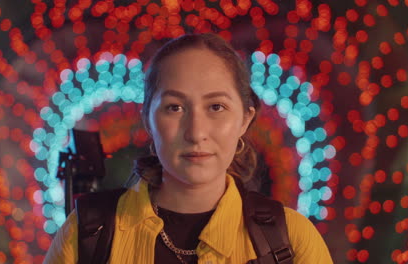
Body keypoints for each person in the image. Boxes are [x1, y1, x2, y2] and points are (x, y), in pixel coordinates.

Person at [44, 33, 333, 264]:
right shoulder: (86, 233)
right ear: (148, 119)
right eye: (175, 107)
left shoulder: (291, 240)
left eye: (216, 107)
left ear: (245, 119)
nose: (196, 132)